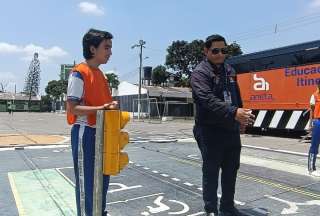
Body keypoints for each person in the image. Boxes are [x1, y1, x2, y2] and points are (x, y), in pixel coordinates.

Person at [190, 34, 255, 216]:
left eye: (224, 50)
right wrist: (234, 113)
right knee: (211, 171)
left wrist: (241, 118)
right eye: (215, 51)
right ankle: (211, 209)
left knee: (231, 169)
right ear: (206, 51)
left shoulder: (229, 70)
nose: (220, 54)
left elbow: (236, 96)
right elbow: (206, 99)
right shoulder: (200, 73)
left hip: (230, 129)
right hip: (209, 130)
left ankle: (227, 206)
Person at [66, 28, 118, 216]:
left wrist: (109, 106)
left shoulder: (101, 75)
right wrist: (102, 109)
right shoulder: (78, 73)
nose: (110, 52)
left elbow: (102, 104)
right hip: (85, 133)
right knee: (87, 184)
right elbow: (73, 108)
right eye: (107, 47)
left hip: (100, 133)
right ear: (92, 49)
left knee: (102, 182)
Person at [308, 83, 320, 177]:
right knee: (314, 145)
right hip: (317, 122)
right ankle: (311, 169)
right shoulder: (314, 95)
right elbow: (311, 110)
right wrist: (310, 124)